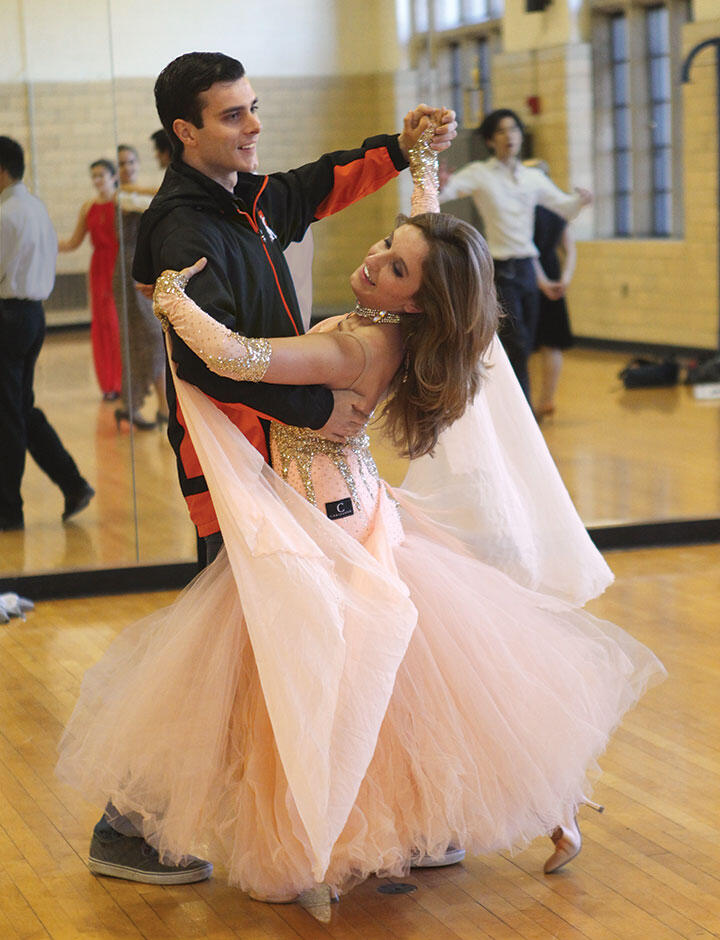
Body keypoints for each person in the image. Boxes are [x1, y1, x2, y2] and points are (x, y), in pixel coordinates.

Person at [57, 126, 665, 905]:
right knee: (396, 681)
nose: (376, 260)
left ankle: (332, 829)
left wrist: (170, 299)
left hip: (323, 526)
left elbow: (235, 358)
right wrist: (421, 163)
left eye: (396, 268)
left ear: (416, 300)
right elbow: (431, 237)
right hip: (355, 511)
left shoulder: (356, 348)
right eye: (384, 245)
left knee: (321, 681)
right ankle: (442, 821)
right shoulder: (401, 327)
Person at [71, 50, 457, 887]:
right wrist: (320, 410)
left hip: (291, 470)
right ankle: (131, 825)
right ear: (185, 131)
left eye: (253, 106)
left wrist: (402, 149)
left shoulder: (248, 198)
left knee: (317, 641)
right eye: (233, 115)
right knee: (226, 656)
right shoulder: (184, 229)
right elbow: (208, 363)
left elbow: (320, 184)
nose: (254, 125)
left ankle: (385, 814)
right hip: (236, 473)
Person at [438, 108, 591, 401]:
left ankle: (516, 407)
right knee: (516, 345)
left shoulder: (533, 178)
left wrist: (581, 201)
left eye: (514, 129)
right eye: (501, 131)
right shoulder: (480, 173)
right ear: (490, 140)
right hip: (500, 270)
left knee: (526, 345)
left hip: (528, 270)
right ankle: (524, 411)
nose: (509, 136)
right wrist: (439, 184)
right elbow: (444, 194)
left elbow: (564, 208)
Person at [0, 136, 95, 531]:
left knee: (8, 416)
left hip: (8, 318)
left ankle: (8, 511)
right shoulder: (34, 207)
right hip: (32, 316)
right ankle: (73, 484)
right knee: (19, 409)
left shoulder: (6, 214)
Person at [113, 144, 168, 430]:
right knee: (146, 339)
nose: (128, 168)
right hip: (128, 272)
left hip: (144, 267)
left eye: (131, 162)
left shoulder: (133, 193)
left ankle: (143, 406)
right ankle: (154, 406)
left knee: (149, 340)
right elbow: (156, 198)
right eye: (122, 163)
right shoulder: (121, 196)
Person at [59, 158, 123, 401]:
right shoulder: (88, 207)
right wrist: (42, 242)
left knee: (117, 325)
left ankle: (123, 382)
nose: (97, 180)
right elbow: (73, 242)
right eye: (94, 176)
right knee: (103, 326)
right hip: (99, 268)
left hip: (119, 266)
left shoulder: (122, 202)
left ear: (113, 177)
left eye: (101, 175)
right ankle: (108, 384)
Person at [531, 198, 577, 420]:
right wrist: (565, 279)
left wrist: (542, 282)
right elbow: (570, 250)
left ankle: (529, 402)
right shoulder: (558, 212)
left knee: (524, 347)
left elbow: (529, 252)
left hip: (530, 277)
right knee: (552, 343)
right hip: (553, 273)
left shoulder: (525, 209)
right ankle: (546, 399)